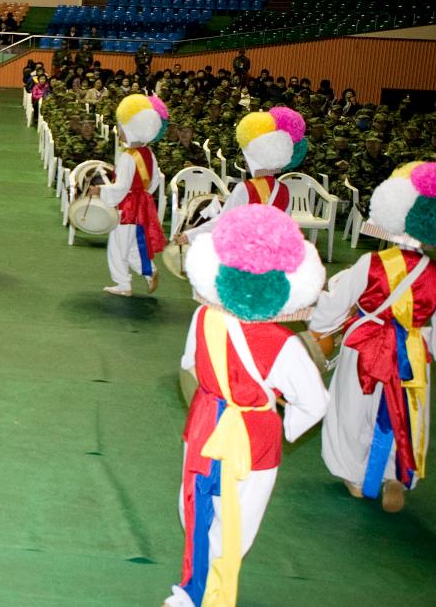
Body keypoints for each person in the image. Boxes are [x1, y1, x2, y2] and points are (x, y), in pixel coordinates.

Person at [166, 205, 328, 607]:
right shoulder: (284, 344)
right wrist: (282, 423)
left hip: (205, 423)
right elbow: (315, 403)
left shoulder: (204, 317)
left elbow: (189, 364)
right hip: (255, 438)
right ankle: (208, 591)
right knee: (239, 516)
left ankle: (192, 589)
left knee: (196, 505)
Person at [309, 163, 436, 513]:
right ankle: (397, 473)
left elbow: (336, 306)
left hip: (365, 346)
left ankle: (354, 475)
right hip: (411, 350)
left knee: (352, 410)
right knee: (406, 412)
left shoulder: (371, 262)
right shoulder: (435, 274)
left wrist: (319, 324)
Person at [176, 108, 306, 246]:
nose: (244, 161)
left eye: (247, 156)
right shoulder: (284, 189)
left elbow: (223, 222)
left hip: (245, 251)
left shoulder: (245, 188)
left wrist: (189, 235)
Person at [100, 94, 168, 295]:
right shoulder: (148, 153)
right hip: (143, 203)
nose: (119, 131)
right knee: (131, 245)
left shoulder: (127, 157)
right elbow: (155, 180)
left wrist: (101, 190)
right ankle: (149, 272)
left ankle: (123, 284)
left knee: (118, 247)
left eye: (121, 127)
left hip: (127, 207)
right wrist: (143, 194)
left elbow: (121, 187)